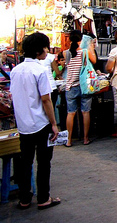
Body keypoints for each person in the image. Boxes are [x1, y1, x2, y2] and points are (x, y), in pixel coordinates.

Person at [10, 32, 61, 210]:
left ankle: (24, 199)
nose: (47, 51)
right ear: (39, 50)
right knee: (44, 162)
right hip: (41, 124)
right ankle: (43, 198)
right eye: (46, 47)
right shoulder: (39, 71)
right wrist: (54, 124)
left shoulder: (15, 71)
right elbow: (46, 100)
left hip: (23, 125)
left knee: (25, 162)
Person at [63, 30, 94, 146]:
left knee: (70, 113)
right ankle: (86, 138)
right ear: (81, 40)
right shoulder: (85, 52)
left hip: (70, 86)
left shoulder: (66, 53)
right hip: (84, 86)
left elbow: (66, 67)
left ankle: (69, 140)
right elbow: (94, 61)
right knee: (85, 112)